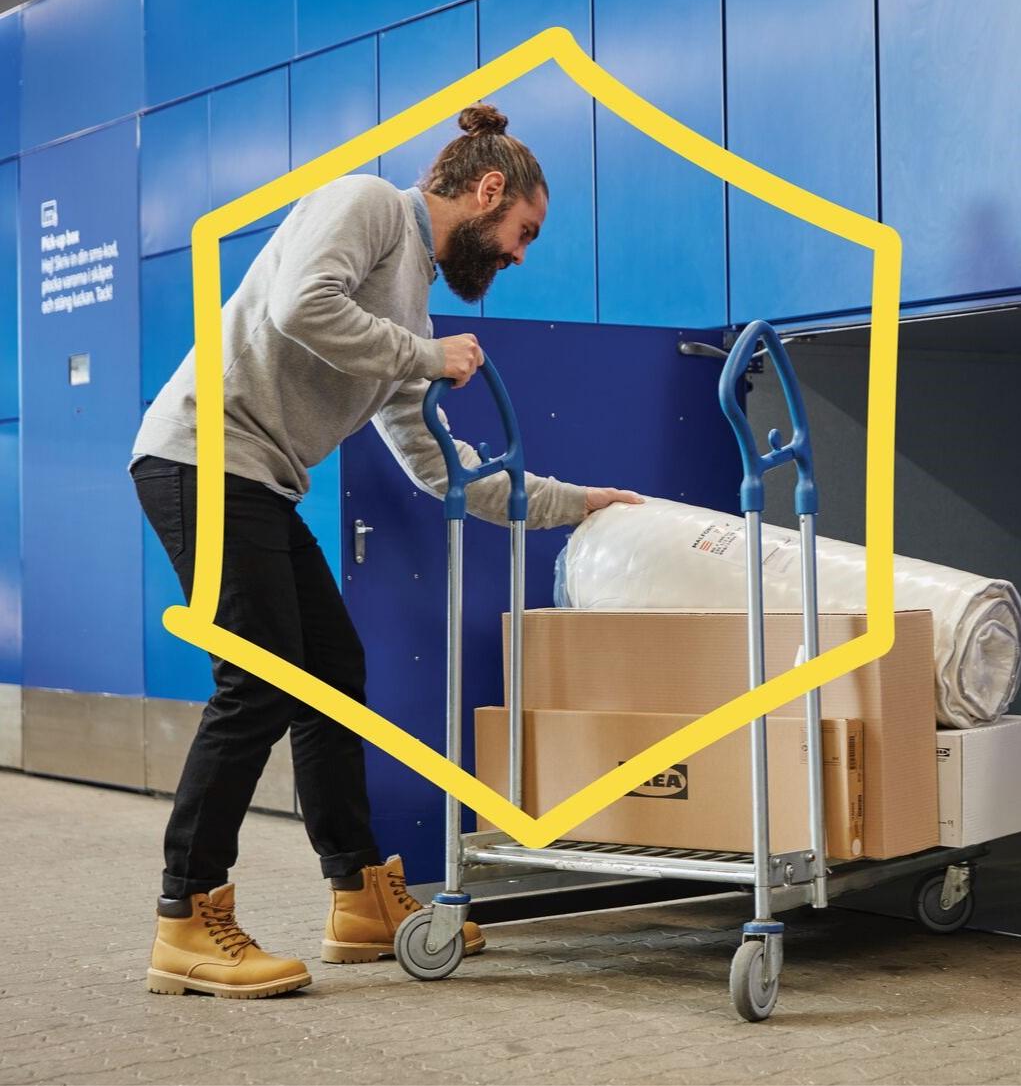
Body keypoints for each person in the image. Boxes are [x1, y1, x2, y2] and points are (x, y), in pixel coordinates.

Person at [132, 102, 643, 999]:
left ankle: (357, 898)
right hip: (201, 455)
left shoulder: (410, 309)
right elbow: (300, 306)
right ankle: (185, 915)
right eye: (523, 229)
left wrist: (580, 504)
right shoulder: (369, 204)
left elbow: (448, 474)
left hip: (258, 479)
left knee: (331, 673)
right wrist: (424, 354)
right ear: (488, 191)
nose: (521, 253)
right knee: (256, 679)